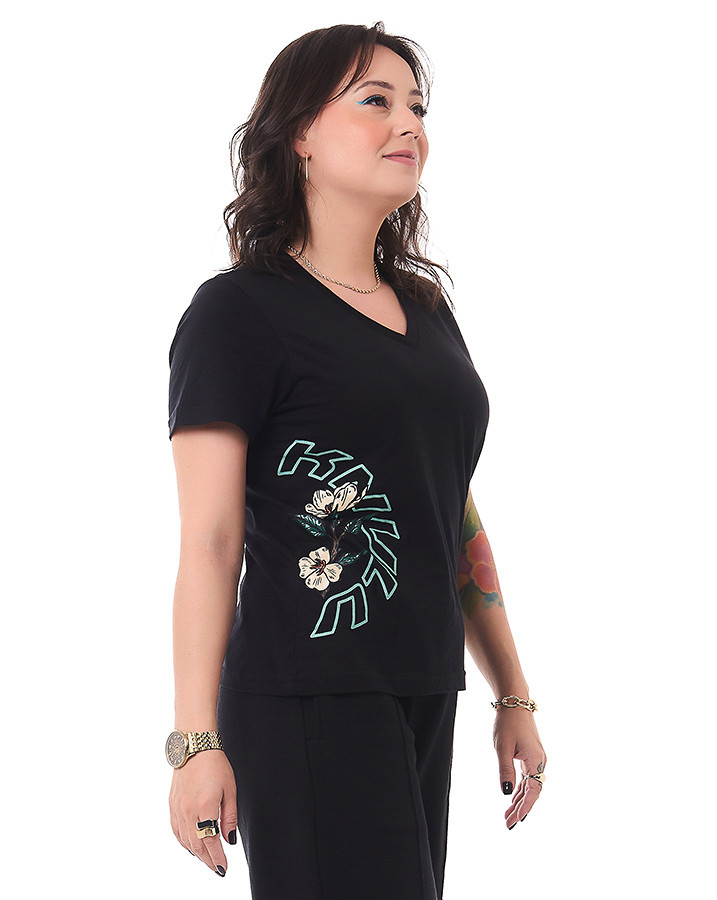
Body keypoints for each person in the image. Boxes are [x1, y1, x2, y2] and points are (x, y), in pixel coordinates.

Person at [165, 21, 547, 900]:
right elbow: (211, 542)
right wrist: (195, 743)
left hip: (424, 686)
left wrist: (512, 692)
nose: (407, 123)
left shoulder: (427, 311)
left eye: (417, 106)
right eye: (375, 101)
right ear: (300, 132)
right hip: (308, 693)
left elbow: (449, 506)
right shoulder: (236, 314)